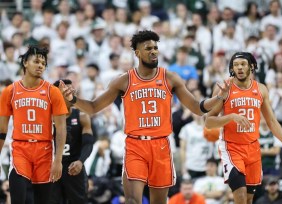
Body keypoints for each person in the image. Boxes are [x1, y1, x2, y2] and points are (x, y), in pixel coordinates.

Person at [59, 30, 229, 204]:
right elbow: (94, 107)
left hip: (161, 145)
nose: (154, 51)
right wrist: (72, 99)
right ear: (137, 53)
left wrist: (218, 99)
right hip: (136, 144)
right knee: (133, 200)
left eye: (155, 47)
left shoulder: (169, 77)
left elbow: (198, 108)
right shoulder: (124, 80)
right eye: (148, 48)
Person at [205, 52, 282, 204]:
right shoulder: (224, 88)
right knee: (240, 197)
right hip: (231, 147)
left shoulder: (261, 89)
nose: (239, 68)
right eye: (236, 65)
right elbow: (209, 122)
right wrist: (231, 117)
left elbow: (272, 121)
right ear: (232, 68)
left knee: (248, 199)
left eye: (243, 64)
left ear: (252, 67)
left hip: (253, 147)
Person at [0, 45, 68, 204]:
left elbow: (61, 129)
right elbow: (2, 130)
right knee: (18, 198)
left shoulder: (53, 91)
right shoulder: (10, 91)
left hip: (44, 151)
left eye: (43, 64)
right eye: (37, 61)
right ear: (25, 62)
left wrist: (58, 161)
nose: (40, 66)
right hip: (20, 150)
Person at [49, 79, 94, 204]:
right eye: (67, 91)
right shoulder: (46, 117)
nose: (71, 94)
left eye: (72, 91)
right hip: (51, 168)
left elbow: (88, 143)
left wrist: (81, 161)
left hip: (73, 167)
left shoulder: (82, 116)